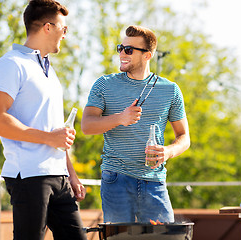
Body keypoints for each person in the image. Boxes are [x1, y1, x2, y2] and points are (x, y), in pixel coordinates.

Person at [0, 0, 87, 239]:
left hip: (58, 176)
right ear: (48, 27)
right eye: (64, 28)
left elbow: (56, 133)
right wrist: (49, 138)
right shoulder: (11, 65)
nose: (65, 34)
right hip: (29, 175)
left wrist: (70, 173)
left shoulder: (49, 70)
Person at [81, 25, 190, 223]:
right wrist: (120, 118)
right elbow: (87, 125)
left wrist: (168, 152)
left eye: (129, 50)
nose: (122, 53)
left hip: (155, 181)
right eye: (120, 48)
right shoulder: (104, 84)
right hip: (116, 179)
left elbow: (184, 137)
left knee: (165, 238)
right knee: (119, 238)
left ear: (147, 55)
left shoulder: (171, 90)